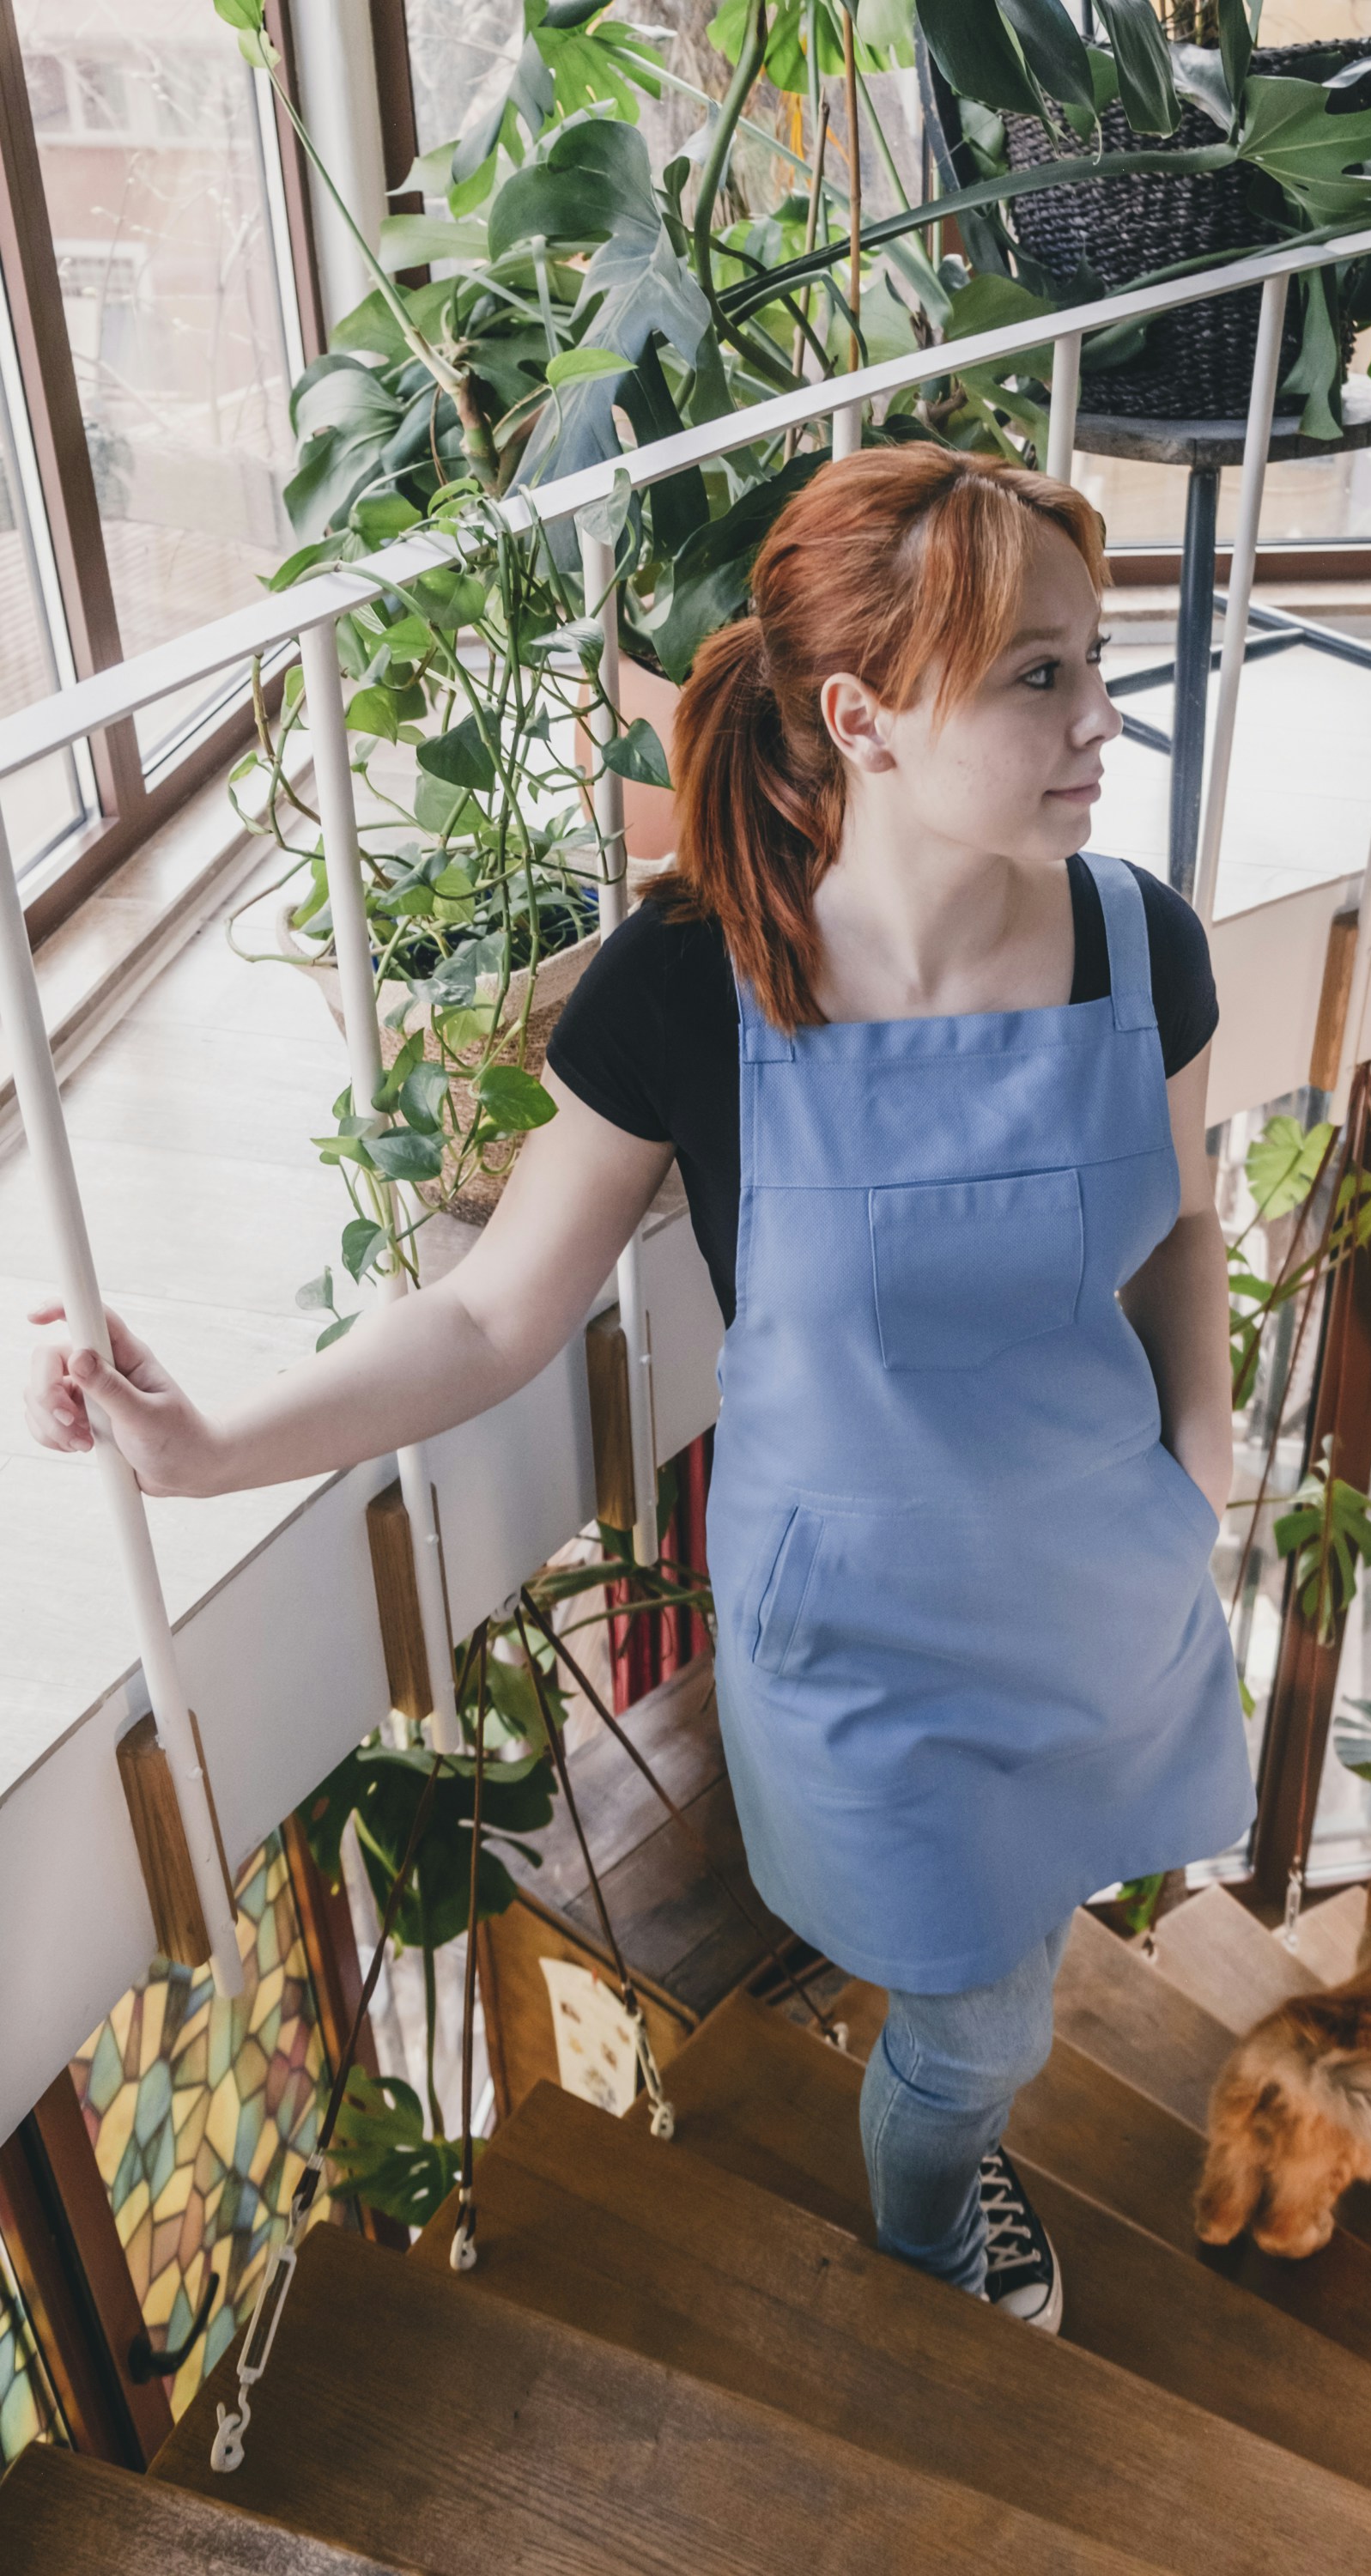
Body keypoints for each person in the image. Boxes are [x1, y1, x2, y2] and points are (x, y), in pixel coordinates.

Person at [25, 447, 1252, 2334]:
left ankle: (947, 2164)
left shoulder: (1136, 943)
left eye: (1094, 662)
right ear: (864, 717)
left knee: (1019, 1956)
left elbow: (1178, 1223)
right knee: (982, 2005)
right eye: (1038, 677)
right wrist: (207, 1449)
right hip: (864, 1637)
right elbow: (487, 1318)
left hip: (1097, 1583)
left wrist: (1201, 1441)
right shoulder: (691, 982)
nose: (1102, 719)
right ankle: (930, 2240)